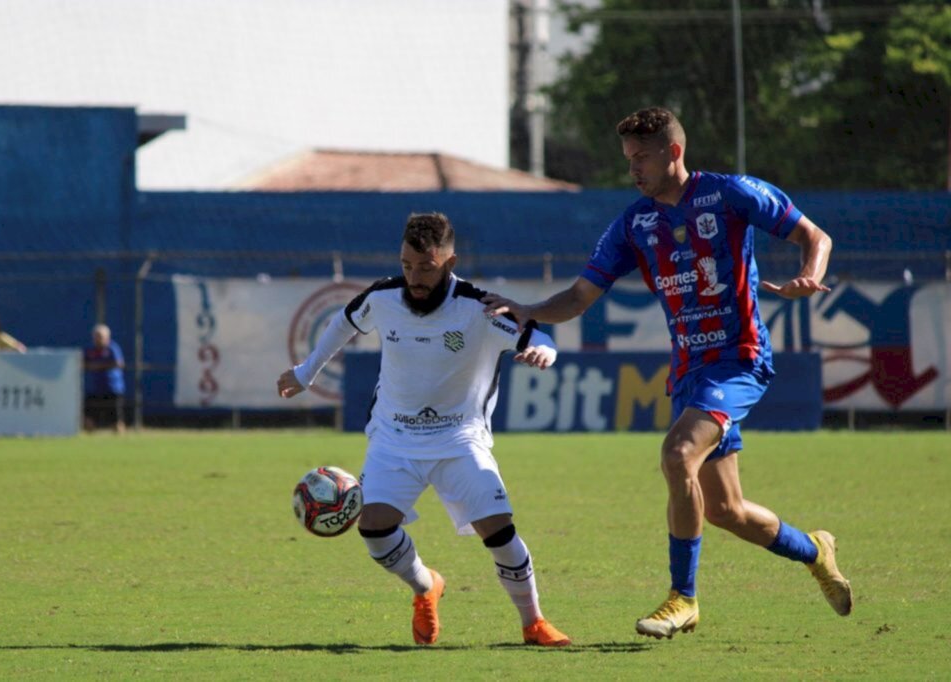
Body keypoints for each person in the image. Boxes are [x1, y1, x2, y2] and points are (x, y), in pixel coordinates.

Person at [483, 106, 852, 639]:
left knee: (677, 453)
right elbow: (580, 296)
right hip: (688, 374)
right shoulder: (634, 223)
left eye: (641, 158)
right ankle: (815, 550)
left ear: (673, 152)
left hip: (738, 359)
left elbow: (816, 237)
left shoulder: (730, 194)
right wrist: (527, 310)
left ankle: (684, 598)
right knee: (725, 510)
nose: (632, 169)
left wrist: (807, 276)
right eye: (627, 159)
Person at [277, 213, 571, 647]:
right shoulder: (384, 297)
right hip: (393, 438)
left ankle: (533, 622)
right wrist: (306, 372)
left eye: (426, 268)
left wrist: (546, 353)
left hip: (459, 439)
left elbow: (536, 336)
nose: (414, 277)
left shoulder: (480, 307)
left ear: (449, 263)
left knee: (499, 529)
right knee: (374, 529)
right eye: (407, 265)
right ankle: (425, 586)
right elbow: (343, 320)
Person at [84, 324, 126, 434]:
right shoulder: (90, 350)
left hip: (113, 388)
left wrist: (99, 366)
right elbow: (83, 364)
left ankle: (120, 442)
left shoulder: (113, 348)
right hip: (95, 388)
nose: (98, 339)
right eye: (96, 336)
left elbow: (118, 363)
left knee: (116, 419)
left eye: (100, 336)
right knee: (88, 418)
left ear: (107, 337)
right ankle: (89, 442)